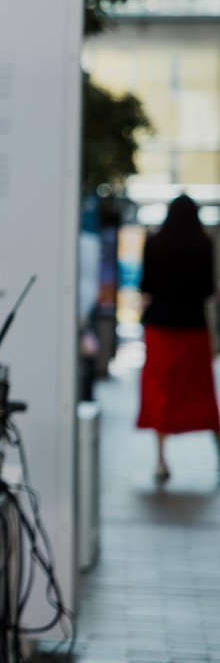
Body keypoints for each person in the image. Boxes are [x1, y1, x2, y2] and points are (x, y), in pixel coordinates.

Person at [136, 193, 220, 481]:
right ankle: (218, 453)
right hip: (193, 328)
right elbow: (207, 289)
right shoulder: (204, 243)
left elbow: (145, 285)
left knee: (160, 390)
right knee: (201, 391)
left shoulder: (154, 243)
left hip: (159, 327)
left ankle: (161, 460)